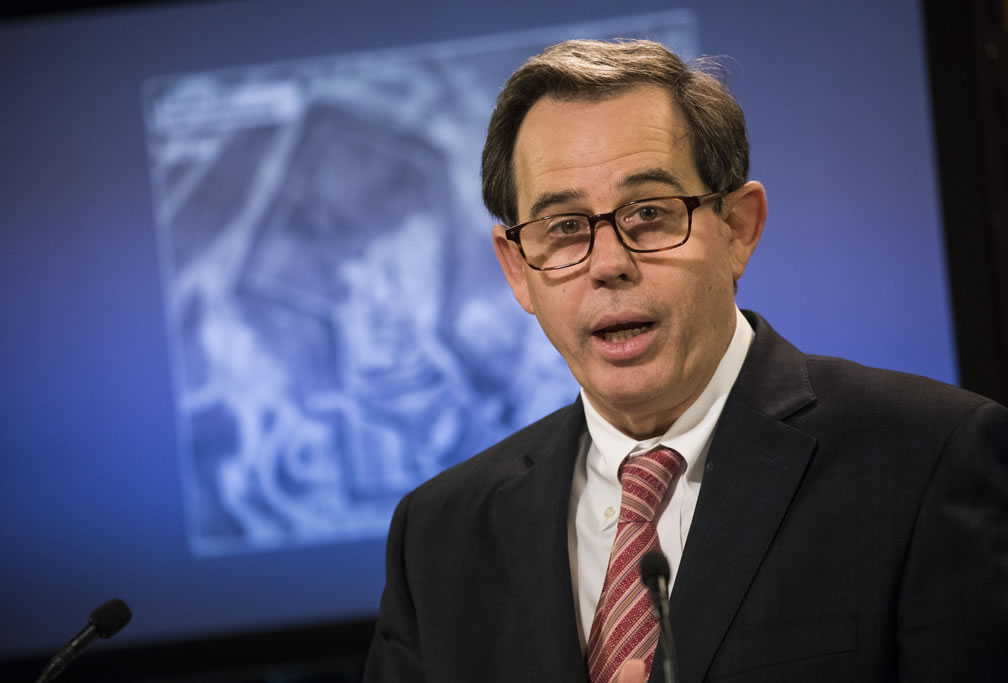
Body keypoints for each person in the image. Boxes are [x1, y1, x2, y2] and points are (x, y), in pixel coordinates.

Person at [363, 39, 1008, 682]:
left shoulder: (927, 458)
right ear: (517, 271)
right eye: (564, 227)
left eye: (649, 214)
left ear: (738, 228)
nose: (609, 264)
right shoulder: (438, 538)